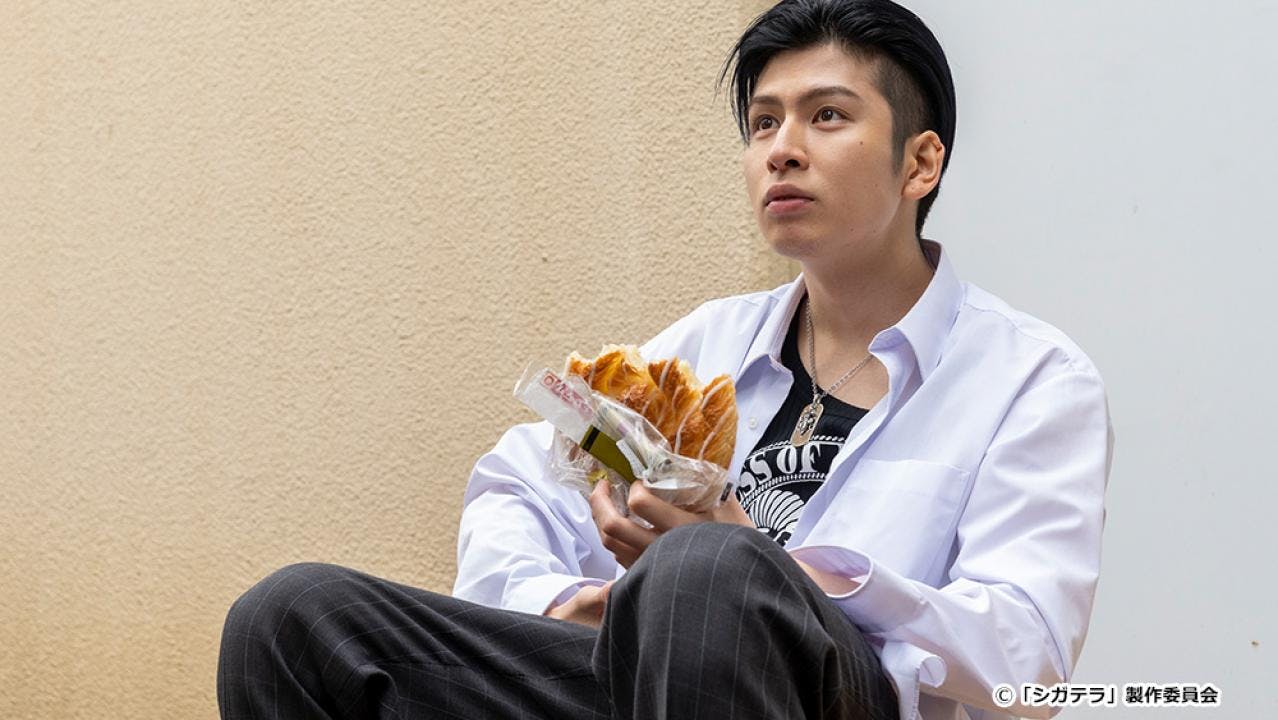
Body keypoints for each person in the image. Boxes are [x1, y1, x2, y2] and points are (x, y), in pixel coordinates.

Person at [217, 1, 1113, 718]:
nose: (782, 150)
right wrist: (566, 603)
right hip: (636, 680)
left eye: (827, 116)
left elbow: (1026, 655)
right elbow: (519, 481)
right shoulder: (702, 352)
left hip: (846, 699)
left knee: (707, 572)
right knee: (292, 619)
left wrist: (785, 571)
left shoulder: (1029, 380)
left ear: (920, 163)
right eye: (763, 124)